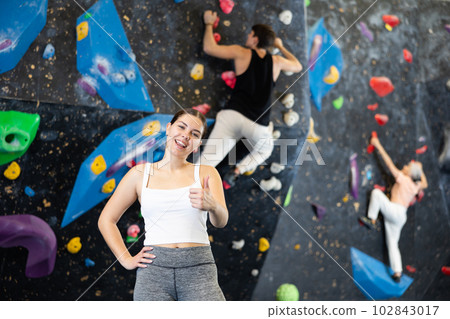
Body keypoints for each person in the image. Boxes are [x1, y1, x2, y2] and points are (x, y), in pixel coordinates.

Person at [98, 108, 228, 301]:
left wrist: (213, 206)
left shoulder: (207, 173)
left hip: (198, 268)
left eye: (194, 134)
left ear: (198, 144)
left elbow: (220, 222)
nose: (185, 135)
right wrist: (126, 259)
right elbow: (106, 220)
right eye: (181, 127)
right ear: (169, 128)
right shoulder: (138, 174)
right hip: (153, 272)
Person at [197, 10, 303, 188]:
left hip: (232, 116)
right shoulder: (276, 61)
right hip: (258, 125)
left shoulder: (242, 53)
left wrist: (208, 23)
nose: (247, 36)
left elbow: (209, 48)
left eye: (250, 34)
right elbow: (298, 66)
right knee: (265, 150)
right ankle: (237, 171)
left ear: (255, 39)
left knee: (203, 166)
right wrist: (281, 46)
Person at [359, 134, 428, 282]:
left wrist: (377, 144)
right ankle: (398, 272)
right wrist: (419, 170)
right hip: (401, 216)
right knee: (393, 244)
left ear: (410, 173)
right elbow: (425, 184)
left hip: (394, 210)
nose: (405, 166)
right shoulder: (416, 186)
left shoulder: (403, 178)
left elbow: (388, 163)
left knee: (377, 193)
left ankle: (372, 219)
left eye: (408, 167)